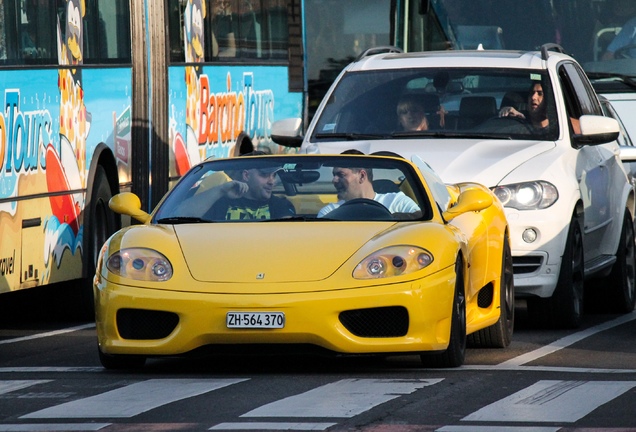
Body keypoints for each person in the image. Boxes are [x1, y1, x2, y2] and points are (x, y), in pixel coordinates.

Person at [317, 163, 420, 218]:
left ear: (362, 176)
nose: (334, 180)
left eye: (341, 175)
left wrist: (389, 219)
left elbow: (421, 220)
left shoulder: (396, 202)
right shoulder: (329, 212)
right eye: (334, 175)